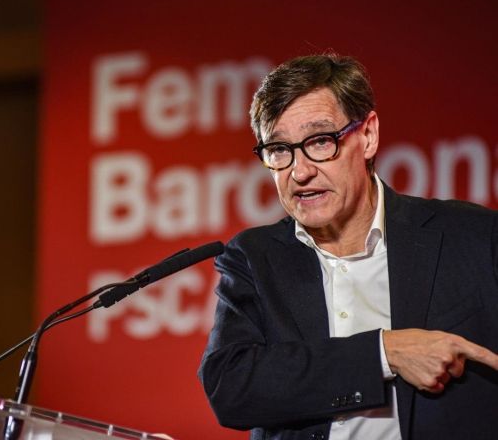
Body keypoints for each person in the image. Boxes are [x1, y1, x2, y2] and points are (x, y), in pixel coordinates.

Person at [198, 53, 498, 440]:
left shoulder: (472, 236)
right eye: (279, 150)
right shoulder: (255, 257)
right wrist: (383, 353)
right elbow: (231, 388)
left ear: (368, 135)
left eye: (321, 141)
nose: (300, 171)